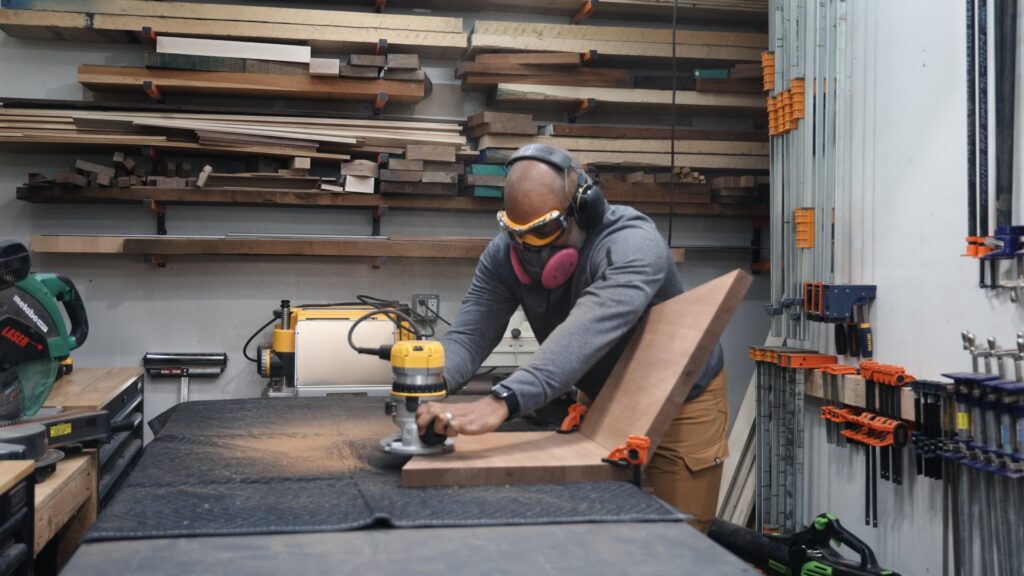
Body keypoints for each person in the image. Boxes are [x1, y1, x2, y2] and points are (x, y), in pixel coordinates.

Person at [415, 144, 729, 532]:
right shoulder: (506, 254)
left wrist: (502, 401)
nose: (531, 250)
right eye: (517, 234)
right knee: (600, 527)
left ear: (584, 206)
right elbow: (469, 335)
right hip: (605, 398)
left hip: (680, 401)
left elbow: (583, 335)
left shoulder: (632, 244)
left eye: (544, 231)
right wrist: (426, 379)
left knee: (677, 540)